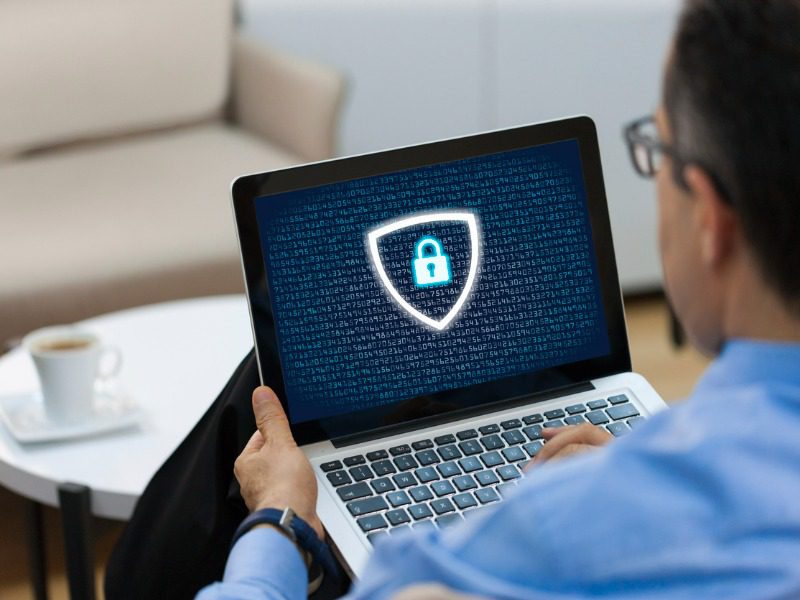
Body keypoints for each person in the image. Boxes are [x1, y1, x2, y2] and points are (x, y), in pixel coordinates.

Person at [197, 0, 800, 597]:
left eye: (657, 152)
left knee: (251, 390)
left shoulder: (517, 551)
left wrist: (281, 518)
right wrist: (641, 475)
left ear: (711, 222)